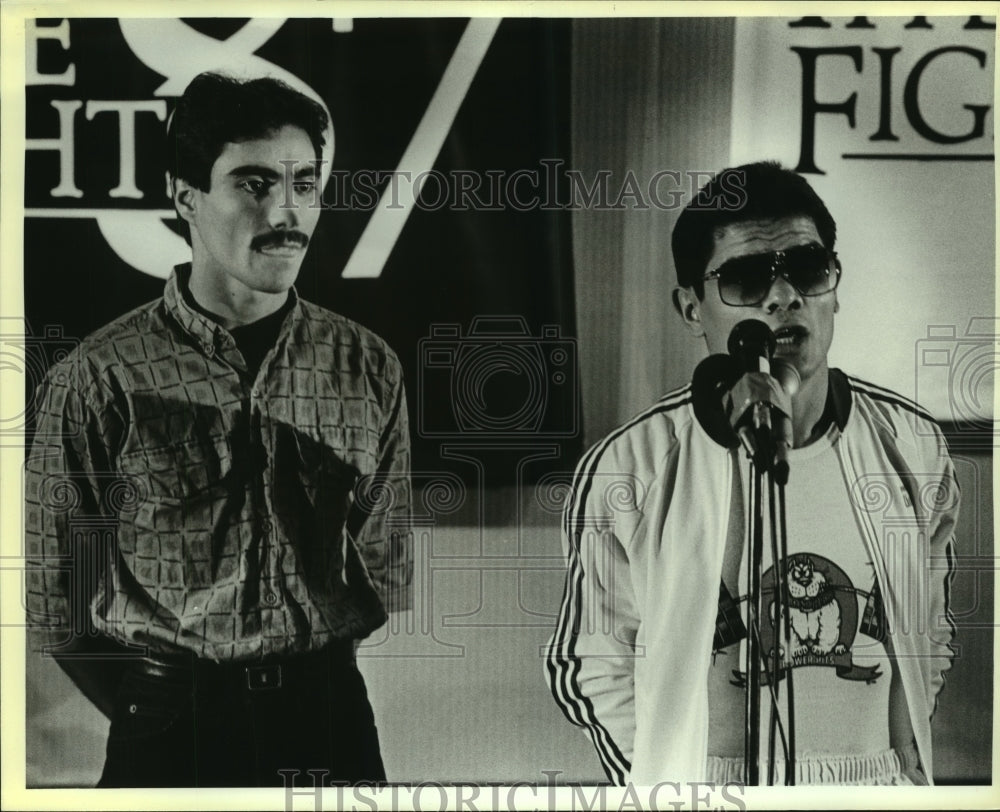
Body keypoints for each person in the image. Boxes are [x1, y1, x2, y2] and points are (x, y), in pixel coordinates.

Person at [24, 72, 412, 788]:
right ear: (186, 198)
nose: (286, 209)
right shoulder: (100, 375)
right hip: (170, 726)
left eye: (304, 182)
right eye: (255, 183)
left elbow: (382, 568)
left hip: (328, 723)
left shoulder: (368, 367)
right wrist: (149, 707)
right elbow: (55, 594)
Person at [545, 161, 958, 786]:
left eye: (808, 267)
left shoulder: (913, 446)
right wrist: (674, 784)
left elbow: (930, 634)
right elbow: (589, 664)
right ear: (691, 307)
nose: (783, 296)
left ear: (835, 285)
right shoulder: (631, 467)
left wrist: (890, 772)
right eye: (744, 278)